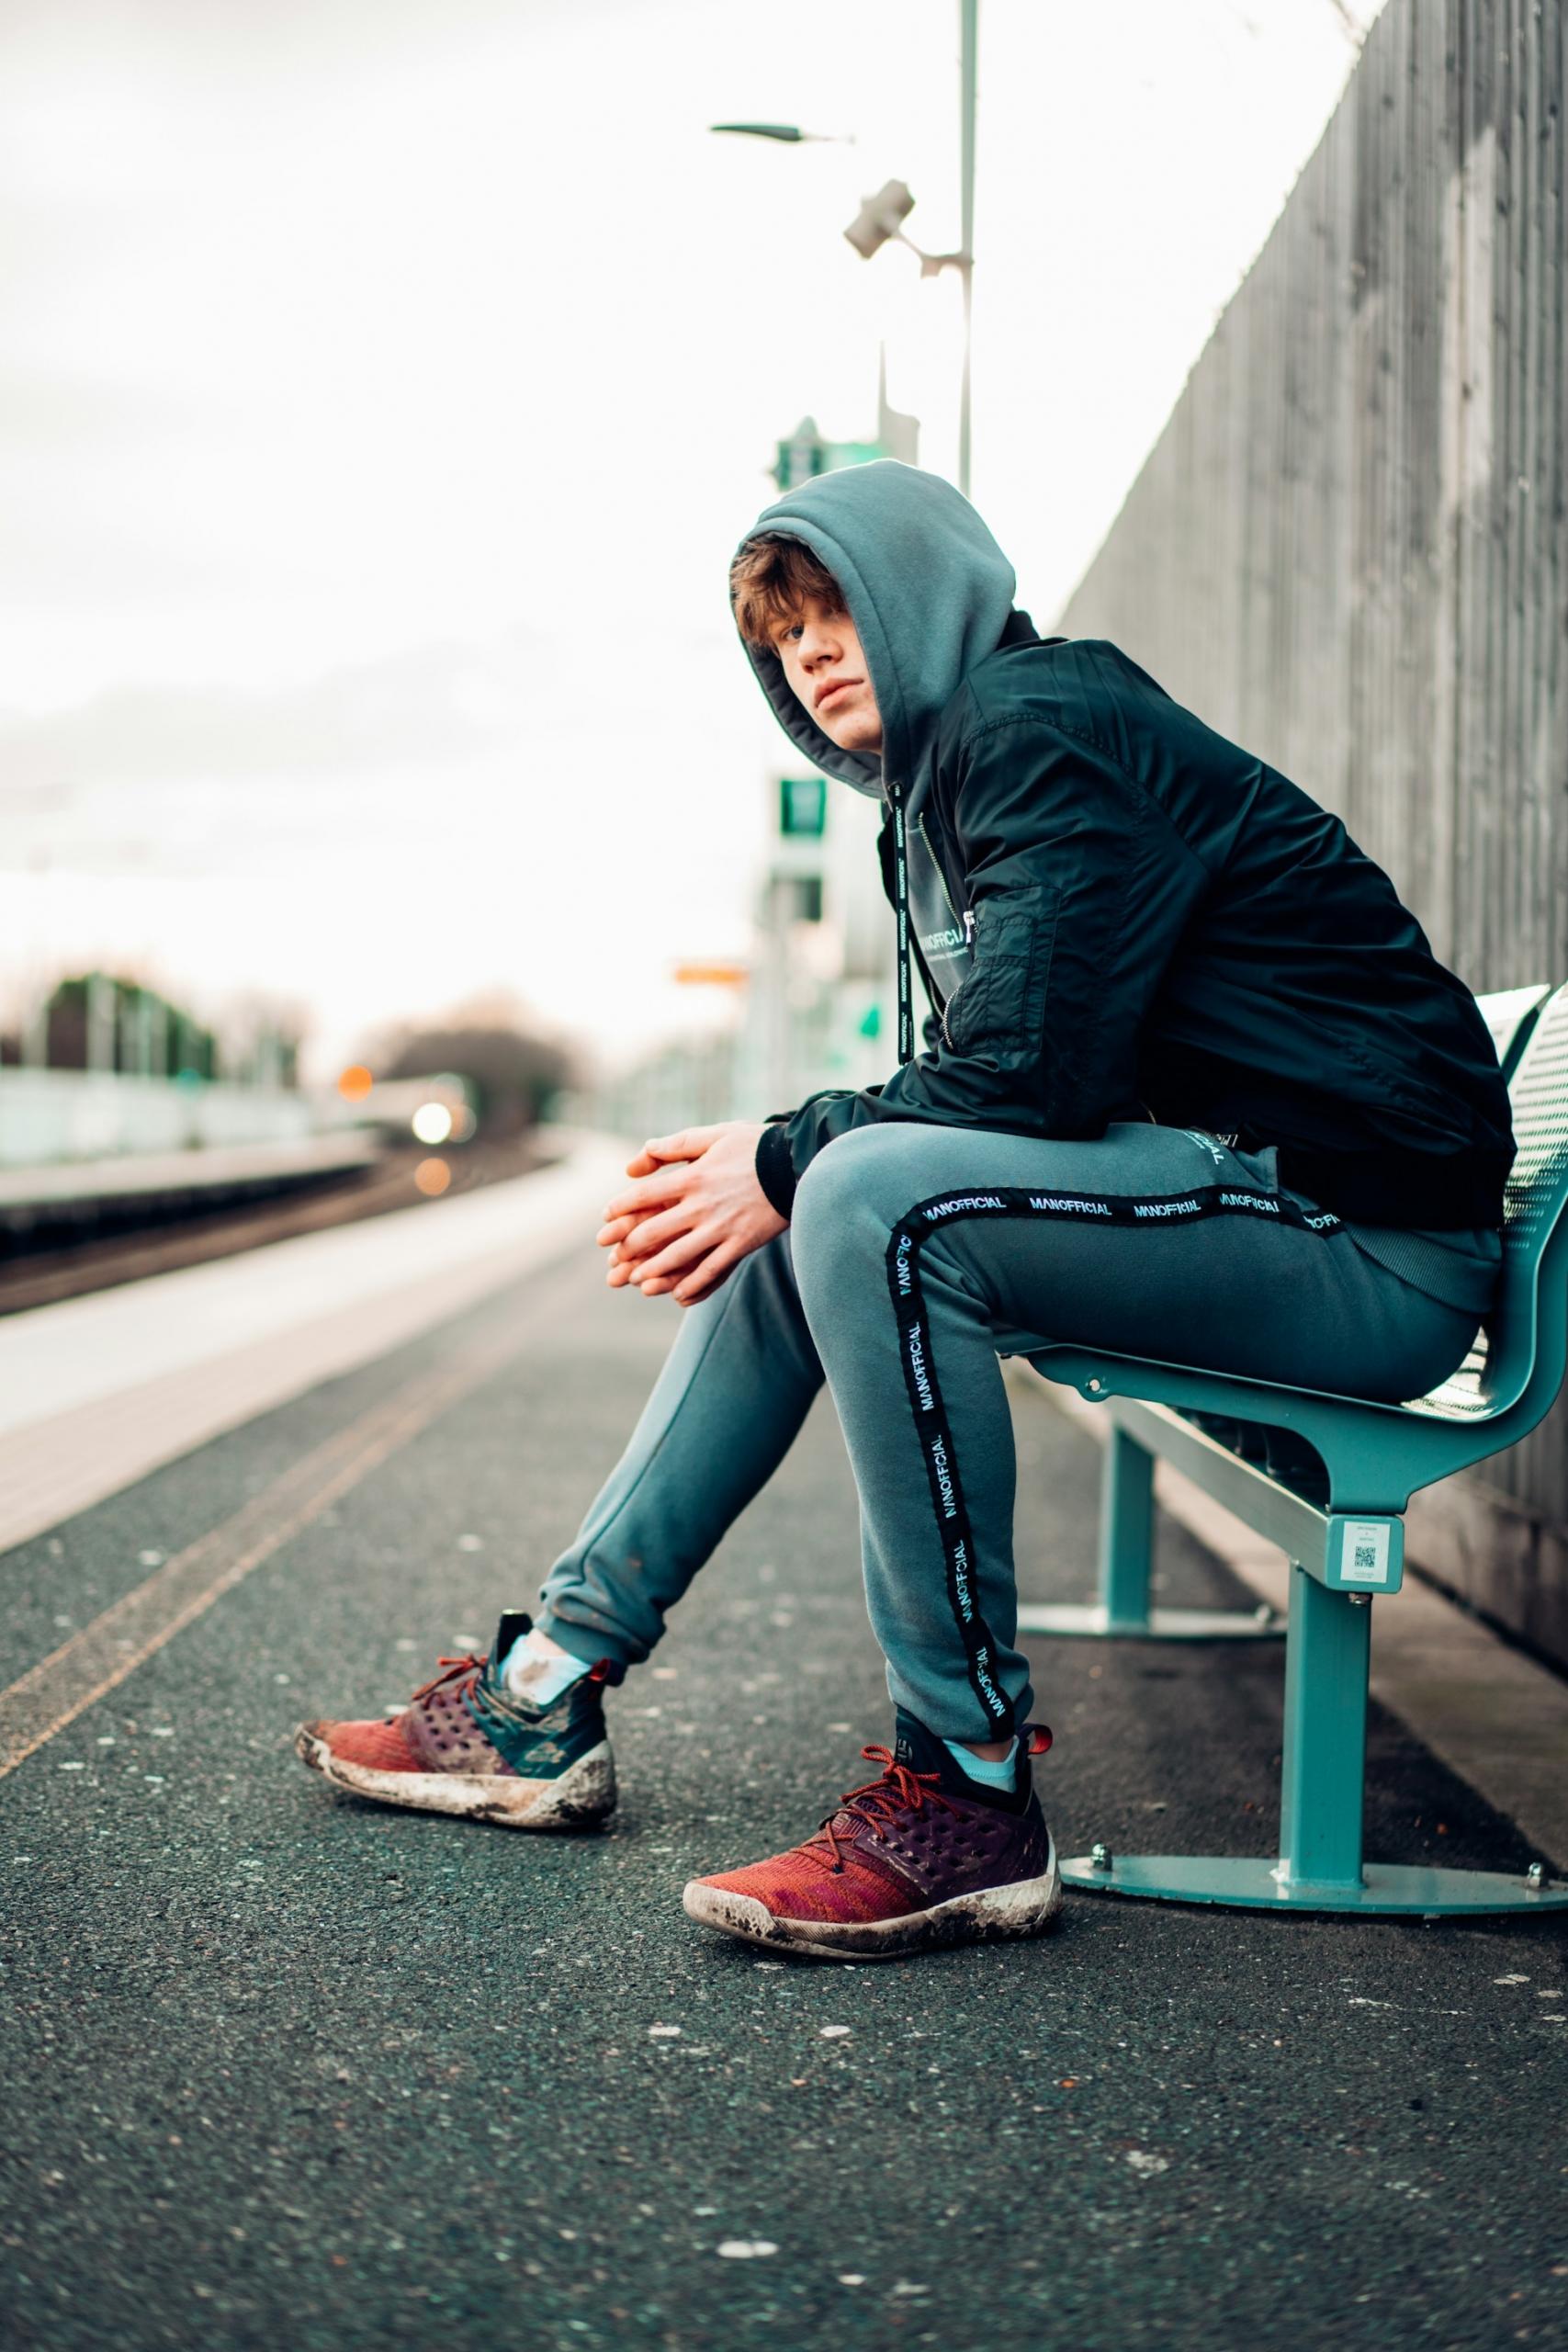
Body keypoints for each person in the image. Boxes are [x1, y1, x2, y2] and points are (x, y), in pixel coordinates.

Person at [296, 460, 1514, 1961]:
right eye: (782, 633)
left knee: (855, 1191)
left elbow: (1025, 1074)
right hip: (1265, 1203)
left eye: (837, 611)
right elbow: (1015, 1073)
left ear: (927, 597)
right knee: (814, 1209)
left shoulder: (1039, 726)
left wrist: (789, 1150)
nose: (808, 652)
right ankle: (542, 1689)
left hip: (1371, 1249)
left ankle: (970, 1793)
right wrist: (783, 1170)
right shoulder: (952, 780)